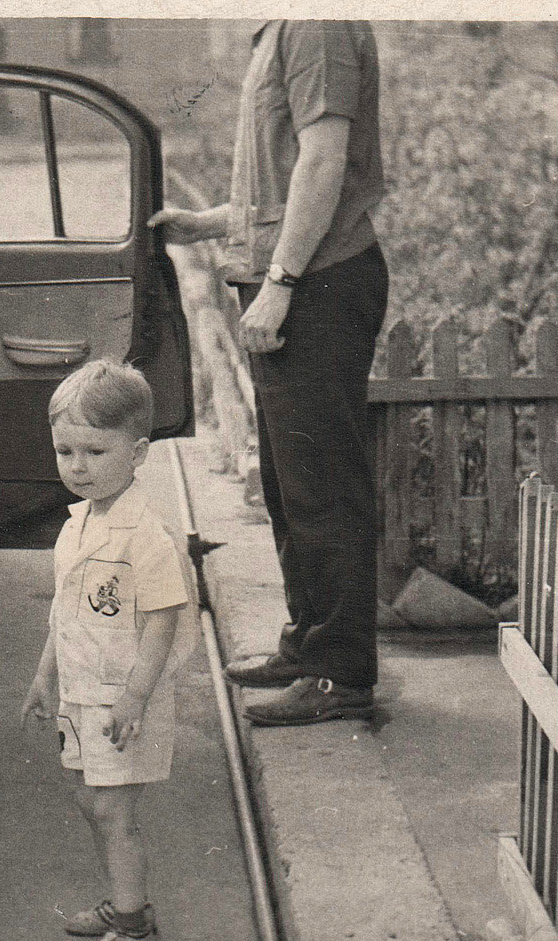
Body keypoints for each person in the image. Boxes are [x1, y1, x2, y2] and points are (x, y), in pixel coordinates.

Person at [148, 20, 388, 727]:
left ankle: (340, 673)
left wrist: (281, 282)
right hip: (301, 278)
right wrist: (204, 224)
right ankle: (308, 646)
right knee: (291, 485)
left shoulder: (315, 24)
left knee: (323, 488)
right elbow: (280, 188)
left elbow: (325, 162)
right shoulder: (282, 28)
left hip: (319, 282)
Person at [21, 360, 192, 941]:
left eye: (95, 451)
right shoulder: (78, 524)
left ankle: (136, 932)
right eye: (65, 451)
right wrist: (44, 676)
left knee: (114, 813)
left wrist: (135, 698)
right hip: (81, 695)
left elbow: (164, 620)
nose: (77, 466)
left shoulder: (146, 535)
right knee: (91, 802)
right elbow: (64, 614)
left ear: (138, 452)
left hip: (123, 701)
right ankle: (124, 904)